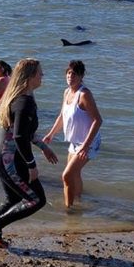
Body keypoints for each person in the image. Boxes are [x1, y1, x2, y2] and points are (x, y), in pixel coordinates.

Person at [0, 58, 58, 249]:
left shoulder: (20, 97)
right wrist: (32, 166)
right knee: (37, 199)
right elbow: (20, 136)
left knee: (13, 199)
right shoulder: (23, 102)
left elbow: (24, 132)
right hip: (8, 156)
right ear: (30, 77)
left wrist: (43, 146)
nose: (42, 75)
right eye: (40, 72)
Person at [43, 60, 103, 208]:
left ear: (81, 76)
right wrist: (50, 134)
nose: (71, 76)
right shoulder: (67, 92)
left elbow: (98, 120)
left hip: (88, 141)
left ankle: (68, 209)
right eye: (69, 73)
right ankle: (78, 200)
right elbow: (62, 116)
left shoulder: (84, 94)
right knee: (74, 174)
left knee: (67, 176)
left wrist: (85, 146)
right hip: (75, 141)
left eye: (75, 74)